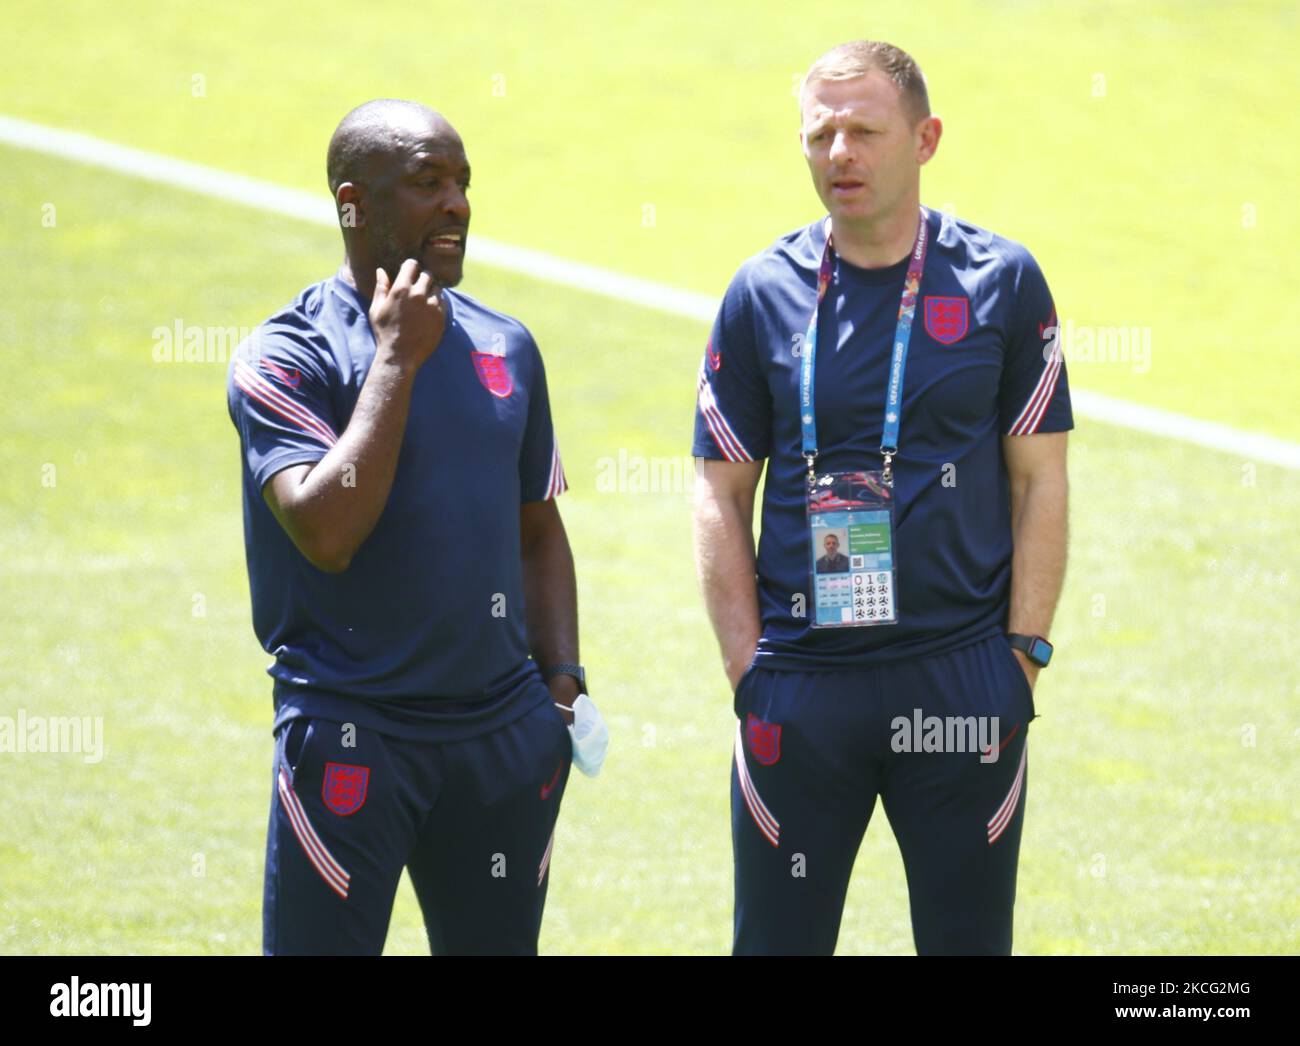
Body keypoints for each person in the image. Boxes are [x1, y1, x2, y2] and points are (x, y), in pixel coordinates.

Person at [692, 41, 1070, 955]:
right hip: (803, 686)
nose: (840, 156)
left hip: (960, 676)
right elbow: (717, 492)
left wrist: (1020, 658)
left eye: (864, 132)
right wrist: (750, 671)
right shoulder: (760, 293)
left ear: (925, 138)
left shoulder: (1001, 281)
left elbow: (1040, 481)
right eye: (820, 135)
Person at [226, 98, 607, 956]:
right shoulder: (287, 355)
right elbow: (325, 531)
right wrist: (397, 357)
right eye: (428, 182)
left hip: (503, 745)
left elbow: (539, 531)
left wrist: (563, 688)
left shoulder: (506, 347)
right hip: (355, 738)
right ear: (353, 203)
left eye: (464, 183)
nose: (458, 205)